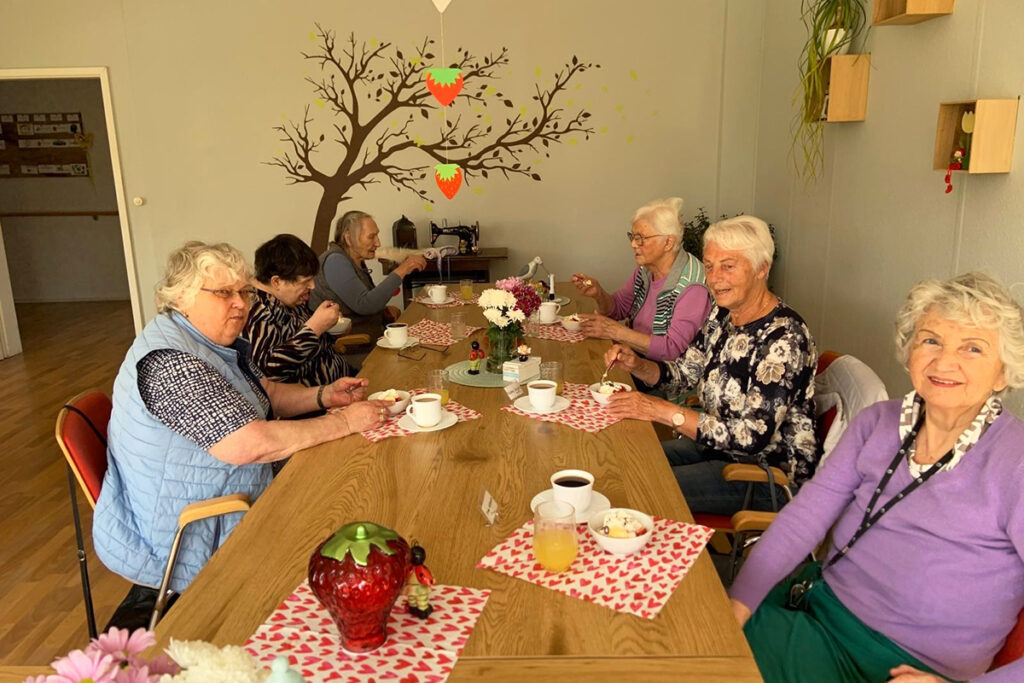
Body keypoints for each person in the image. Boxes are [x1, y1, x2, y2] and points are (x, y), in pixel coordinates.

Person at [729, 272, 1024, 683]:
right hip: (818, 615)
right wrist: (739, 602)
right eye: (931, 339)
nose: (944, 361)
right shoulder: (878, 424)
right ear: (909, 351)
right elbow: (805, 518)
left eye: (973, 348)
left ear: (1003, 373)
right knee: (692, 642)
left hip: (912, 667)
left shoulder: (1016, 464)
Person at [93, 241, 390, 599]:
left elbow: (267, 394)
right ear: (182, 297)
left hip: (239, 493)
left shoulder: (210, 341)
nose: (240, 303)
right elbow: (249, 443)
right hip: (194, 532)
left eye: (244, 292)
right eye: (224, 293)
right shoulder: (169, 361)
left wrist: (325, 396)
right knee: (352, 511)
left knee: (355, 491)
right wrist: (344, 423)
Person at [603, 215, 818, 515]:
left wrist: (663, 412)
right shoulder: (723, 314)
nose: (714, 278)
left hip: (765, 473)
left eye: (728, 266)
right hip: (715, 446)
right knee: (623, 461)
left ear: (761, 269)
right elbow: (683, 372)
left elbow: (751, 437)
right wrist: (636, 364)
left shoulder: (784, 337)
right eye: (709, 265)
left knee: (639, 486)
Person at [571, 198, 712, 362]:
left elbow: (671, 349)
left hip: (661, 374)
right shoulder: (646, 269)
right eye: (632, 236)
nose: (633, 244)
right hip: (634, 357)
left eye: (640, 238)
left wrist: (616, 332)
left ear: (668, 242)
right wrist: (598, 294)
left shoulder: (692, 287)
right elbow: (619, 308)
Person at [310, 211, 427, 364]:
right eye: (371, 237)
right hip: (352, 350)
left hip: (369, 342)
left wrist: (382, 311)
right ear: (348, 238)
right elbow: (365, 304)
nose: (378, 243)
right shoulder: (335, 261)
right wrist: (403, 269)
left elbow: (362, 301)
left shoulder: (353, 260)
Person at [245, 234, 349, 386]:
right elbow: (268, 372)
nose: (313, 286)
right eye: (306, 281)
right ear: (277, 282)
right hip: (314, 404)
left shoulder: (290, 300)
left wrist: (330, 329)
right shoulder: (257, 310)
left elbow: (308, 344)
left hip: (340, 384)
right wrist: (315, 328)